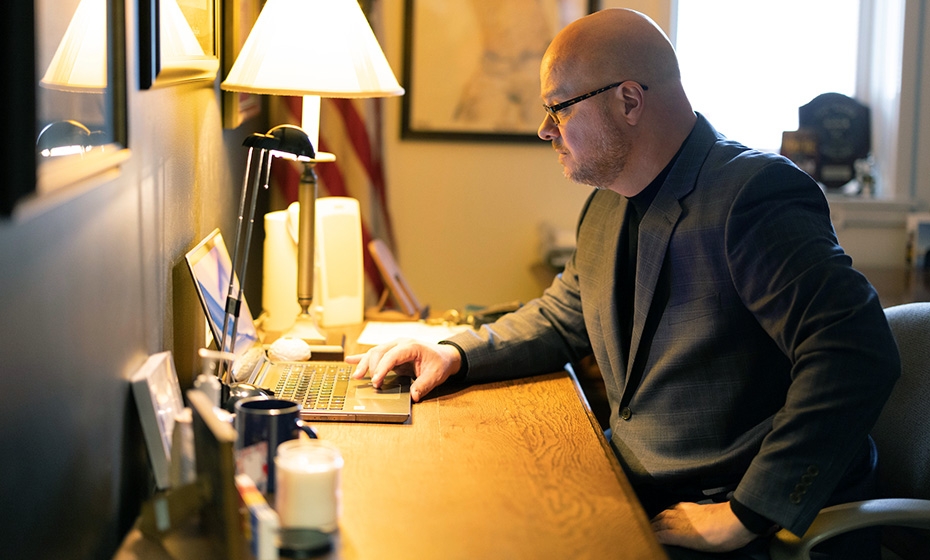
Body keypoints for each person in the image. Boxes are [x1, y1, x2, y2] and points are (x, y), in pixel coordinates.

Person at [347, 8, 900, 559]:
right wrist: (452, 352)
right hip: (639, 486)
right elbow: (561, 317)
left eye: (557, 108)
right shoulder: (607, 205)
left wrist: (746, 514)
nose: (545, 130)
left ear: (629, 101)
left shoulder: (754, 194)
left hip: (744, 523)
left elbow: (854, 353)